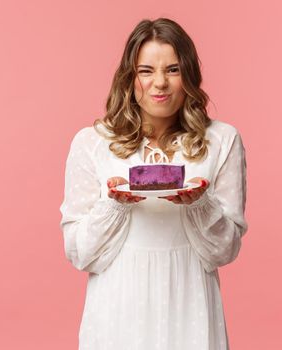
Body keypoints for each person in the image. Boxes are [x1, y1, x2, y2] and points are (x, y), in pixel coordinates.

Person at [59, 17, 248, 350]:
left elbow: (225, 251)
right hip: (117, 310)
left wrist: (200, 204)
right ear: (129, 78)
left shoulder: (222, 140)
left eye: (172, 70)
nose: (159, 83)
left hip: (191, 306)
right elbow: (80, 253)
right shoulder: (92, 143)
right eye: (146, 71)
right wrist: (113, 205)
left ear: (188, 74)